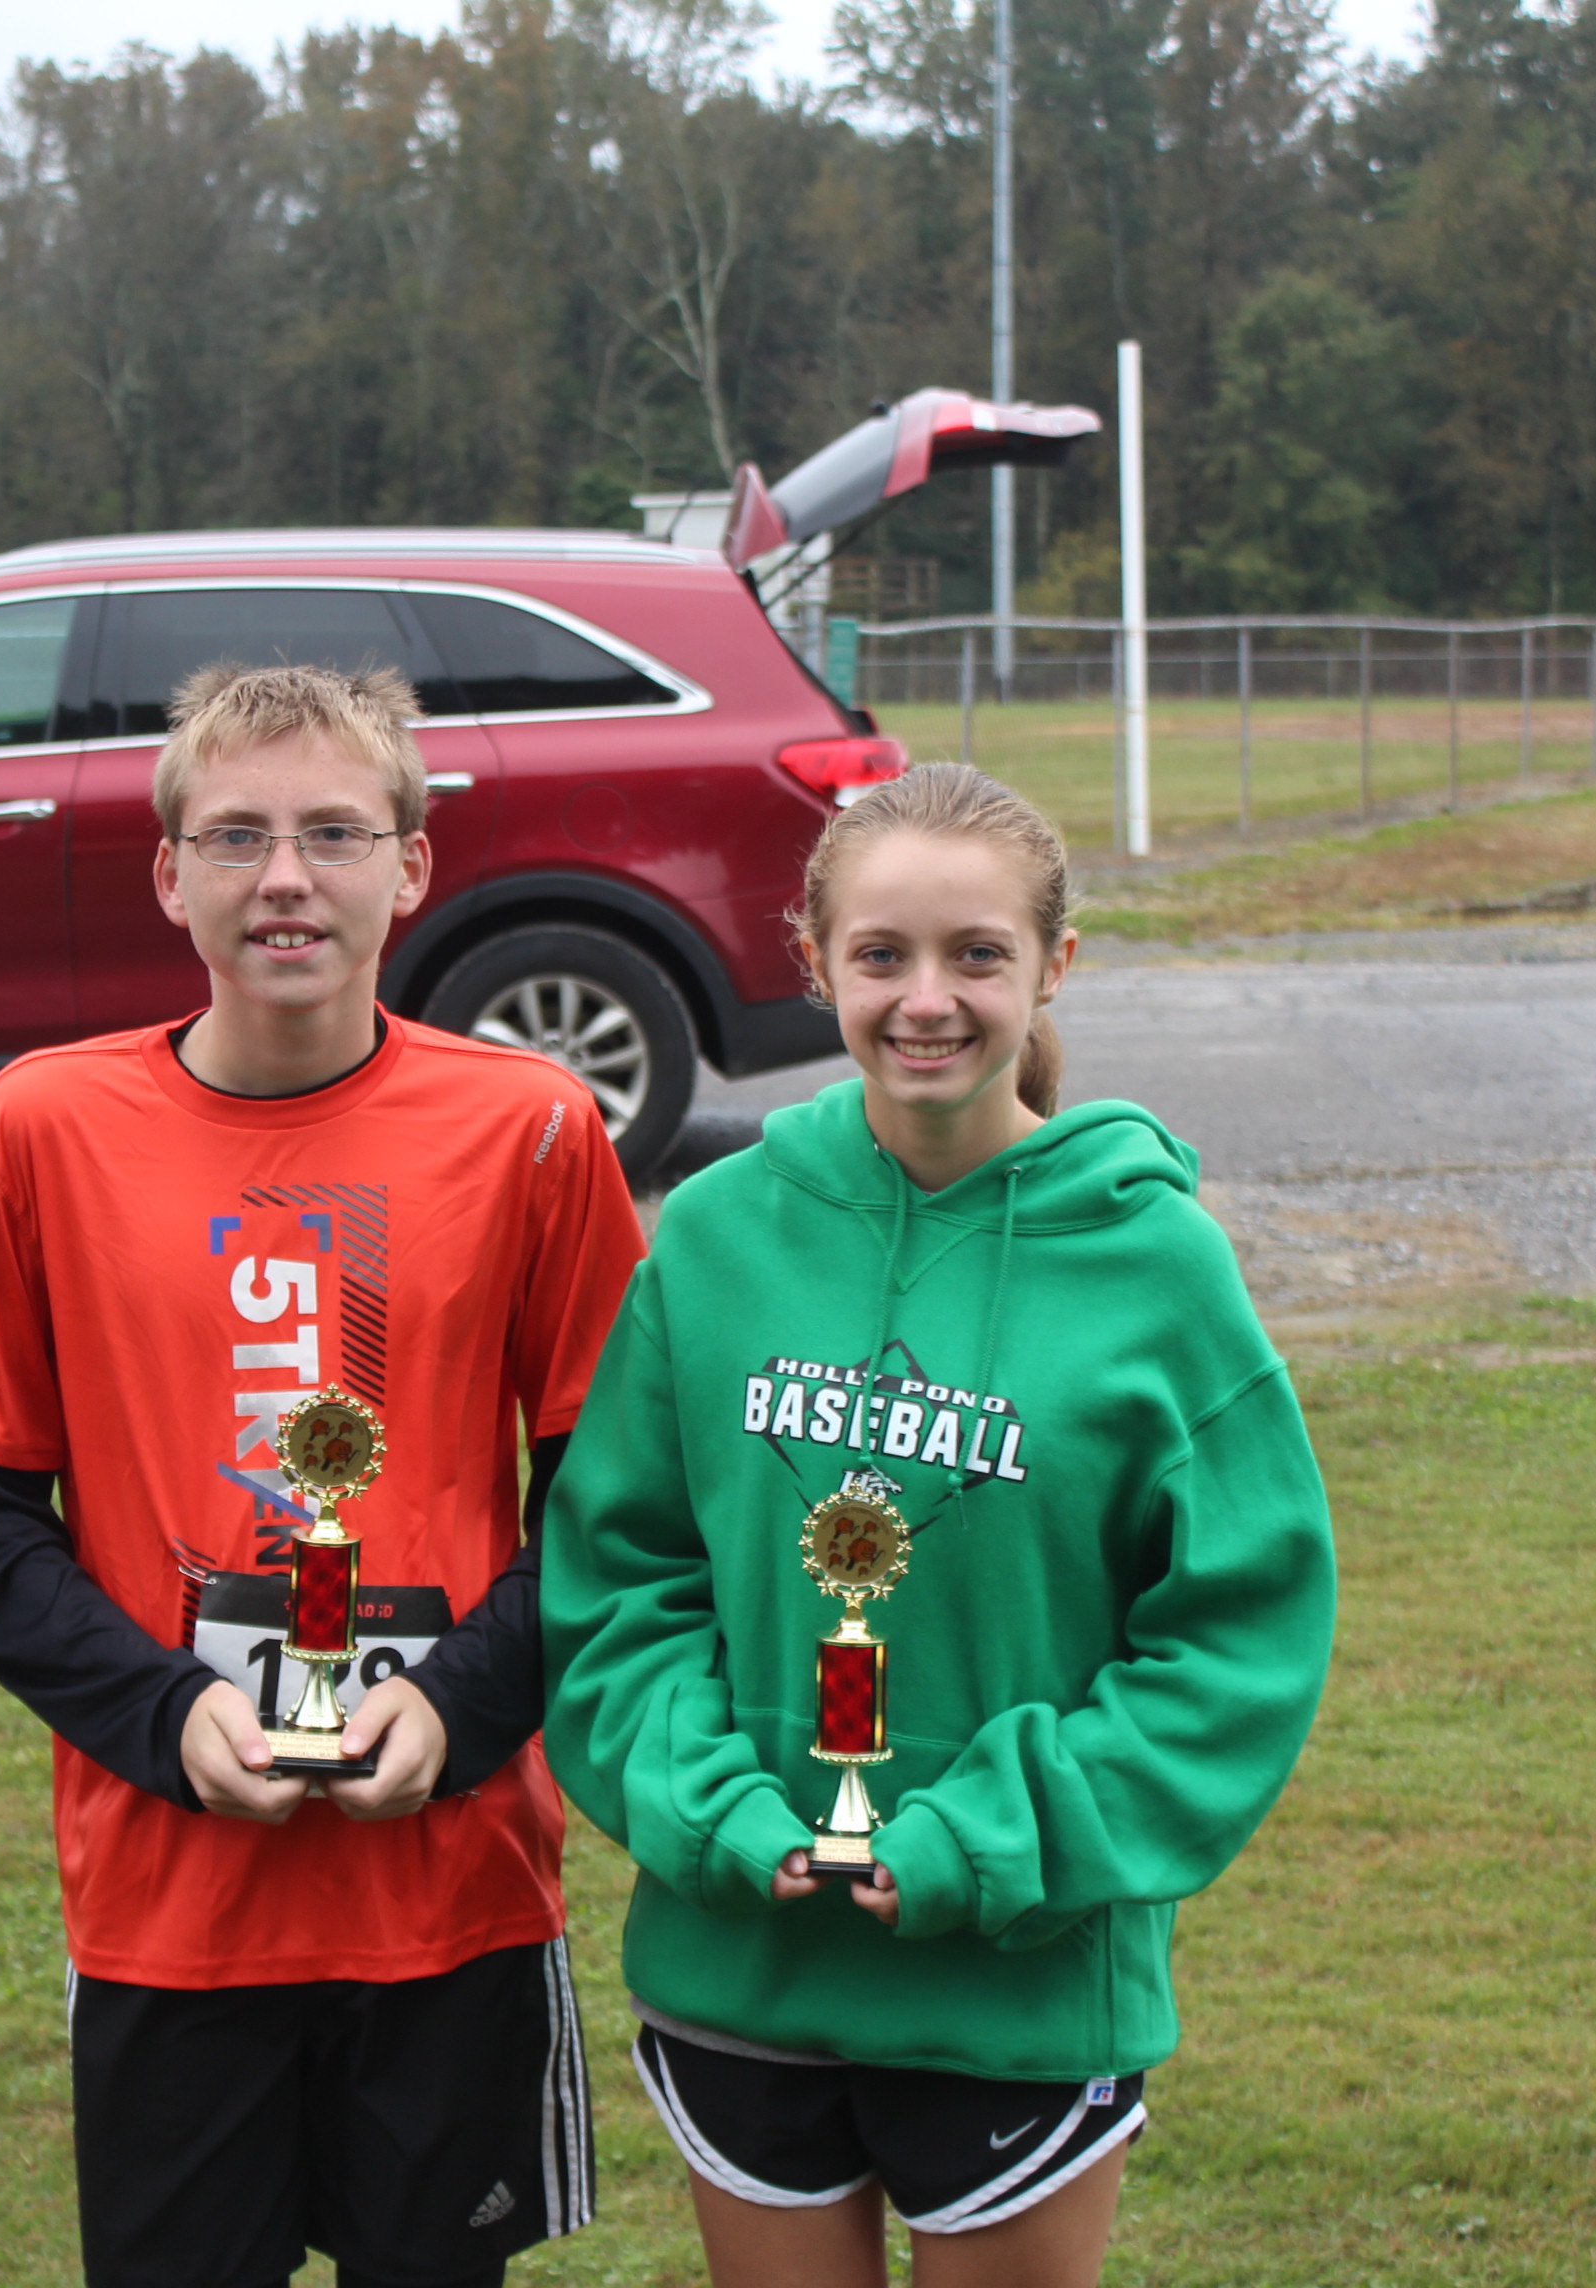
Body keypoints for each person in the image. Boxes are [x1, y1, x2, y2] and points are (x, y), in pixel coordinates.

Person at [0, 663, 647, 2288]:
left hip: (447, 1886)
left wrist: (461, 1699)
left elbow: (612, 1491)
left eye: (330, 831)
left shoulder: (529, 1125)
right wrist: (158, 1711)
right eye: (234, 835)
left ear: (413, 862)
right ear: (168, 873)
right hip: (174, 1899)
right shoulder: (43, 1126)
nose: (285, 877)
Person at [541, 762, 1337, 2288]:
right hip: (744, 1963)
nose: (928, 1000)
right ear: (814, 959)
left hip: (1018, 1981)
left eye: (977, 955)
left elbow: (1237, 1638)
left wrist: (987, 1838)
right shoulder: (713, 1236)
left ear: (1053, 965)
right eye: (883, 954)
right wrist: (714, 1811)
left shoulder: (1156, 1264)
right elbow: (620, 1583)